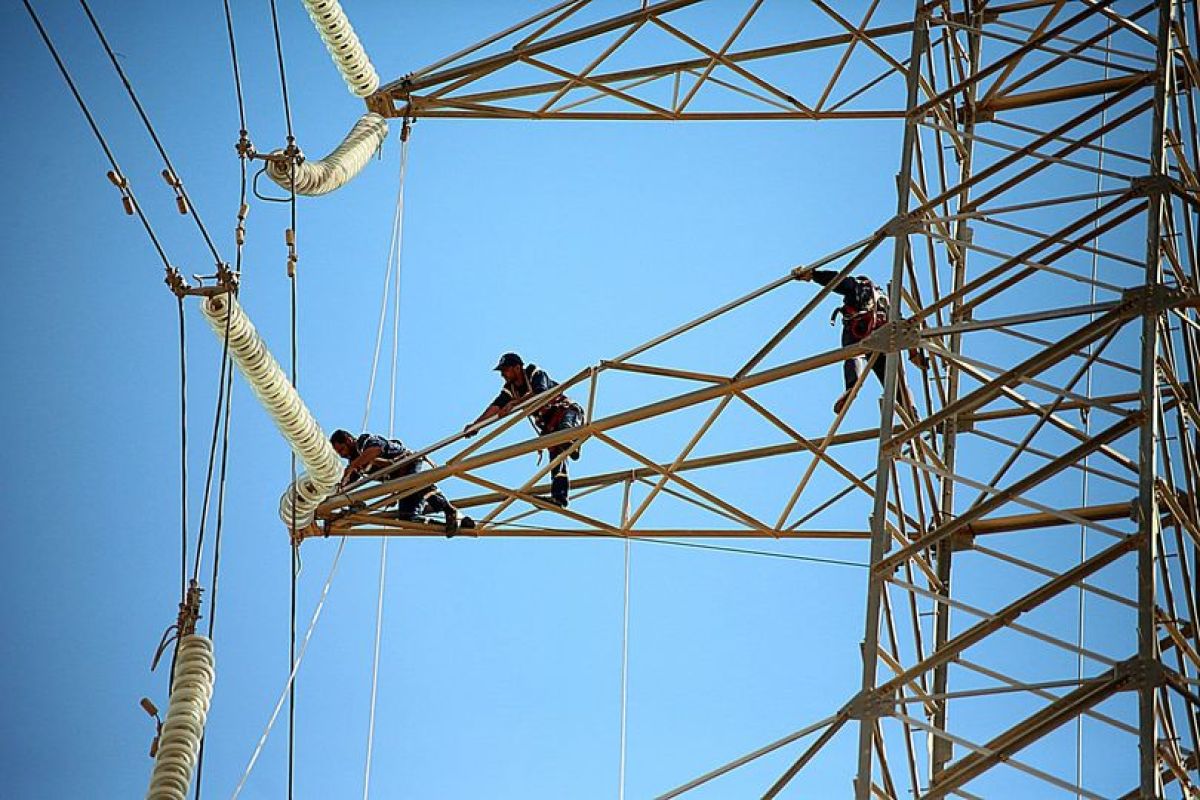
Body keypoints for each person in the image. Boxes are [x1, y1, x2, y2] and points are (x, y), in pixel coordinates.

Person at [795, 268, 924, 413]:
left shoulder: (857, 286)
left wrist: (814, 275)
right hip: (883, 338)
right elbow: (905, 327)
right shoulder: (885, 302)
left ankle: (852, 387)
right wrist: (914, 353)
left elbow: (837, 281)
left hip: (861, 332)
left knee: (852, 355)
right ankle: (911, 410)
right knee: (894, 381)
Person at [463, 352, 583, 508]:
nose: (503, 375)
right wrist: (476, 426)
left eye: (505, 370)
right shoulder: (510, 389)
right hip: (550, 427)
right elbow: (495, 407)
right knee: (556, 460)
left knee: (565, 431)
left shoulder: (534, 372)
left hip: (566, 413)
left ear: (517, 367)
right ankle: (559, 498)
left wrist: (515, 403)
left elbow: (540, 393)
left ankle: (571, 443)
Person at [330, 429, 469, 536]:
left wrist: (352, 466)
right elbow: (346, 486)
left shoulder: (364, 442)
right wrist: (333, 493)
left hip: (413, 464)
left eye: (341, 449)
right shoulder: (355, 463)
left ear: (348, 440)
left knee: (415, 482)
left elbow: (375, 450)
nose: (342, 455)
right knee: (408, 519)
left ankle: (450, 511)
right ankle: (457, 522)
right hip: (402, 483)